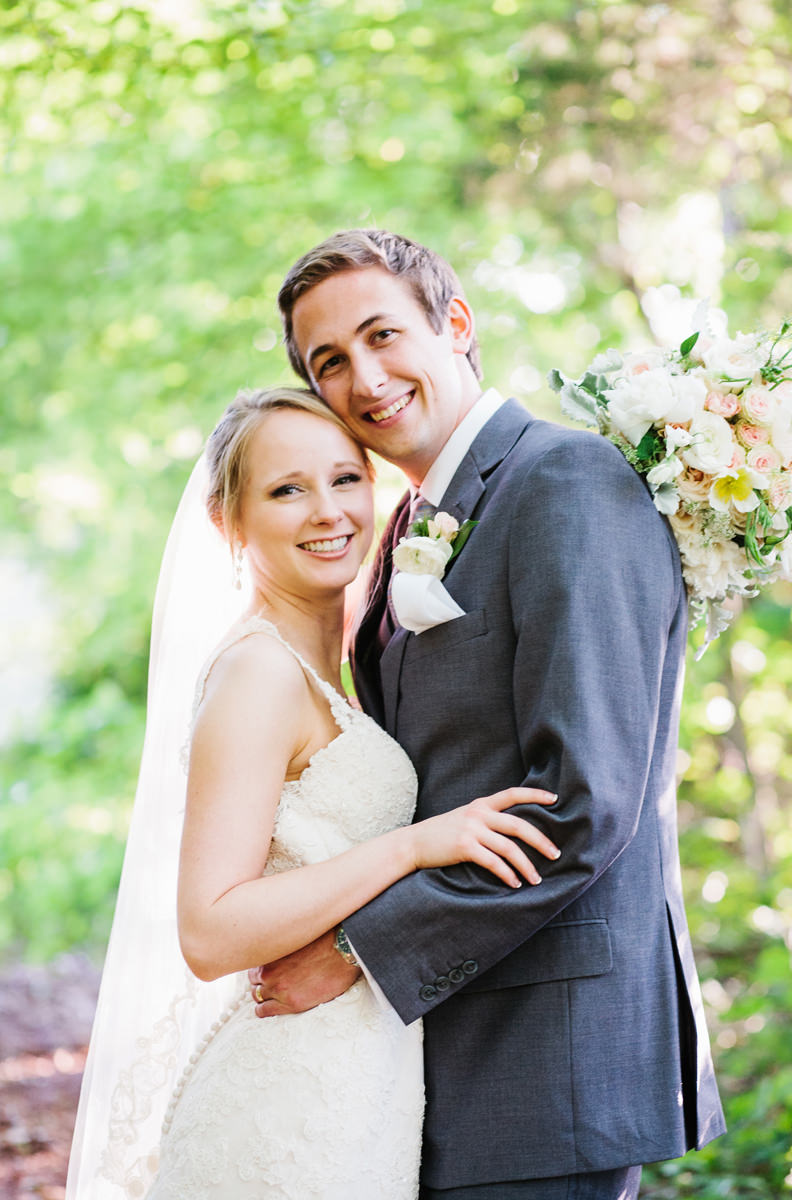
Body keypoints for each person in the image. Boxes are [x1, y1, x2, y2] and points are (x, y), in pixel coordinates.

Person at [246, 230, 727, 1199]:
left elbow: (579, 801)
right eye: (328, 362)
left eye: (382, 335)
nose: (364, 377)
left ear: (455, 324)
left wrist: (357, 954)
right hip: (447, 1053)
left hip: (546, 1060)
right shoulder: (405, 529)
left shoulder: (565, 485)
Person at [66, 385, 560, 1200]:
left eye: (345, 478)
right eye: (286, 489)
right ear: (229, 522)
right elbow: (212, 929)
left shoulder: (342, 663)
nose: (327, 511)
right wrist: (411, 845)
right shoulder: (259, 674)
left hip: (360, 1089)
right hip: (288, 1112)